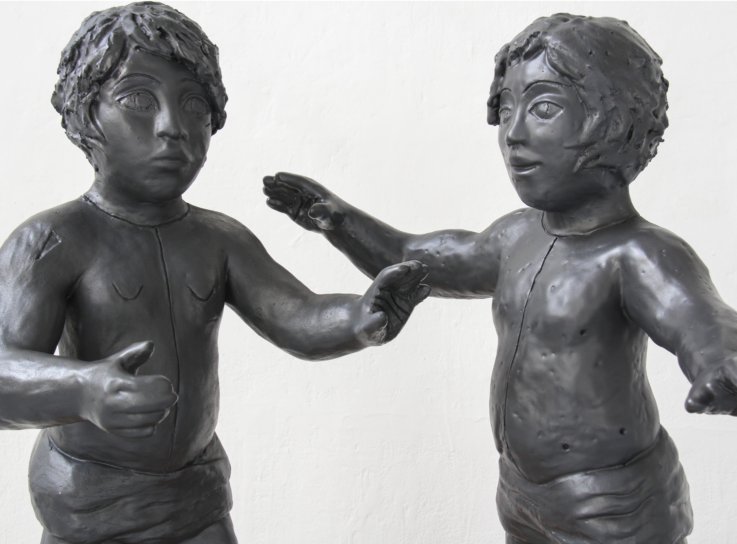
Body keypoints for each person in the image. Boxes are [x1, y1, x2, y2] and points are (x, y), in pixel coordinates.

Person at [264, 13, 737, 544]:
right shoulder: (515, 236)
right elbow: (415, 258)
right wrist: (340, 220)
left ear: (614, 122)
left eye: (543, 108)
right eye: (506, 109)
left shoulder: (639, 253)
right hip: (520, 493)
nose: (513, 134)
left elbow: (700, 319)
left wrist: (722, 363)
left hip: (612, 507)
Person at [0, 3, 429, 544]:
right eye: (138, 100)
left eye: (194, 104)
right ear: (82, 115)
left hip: (196, 495)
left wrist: (361, 317)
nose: (173, 127)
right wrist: (84, 388)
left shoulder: (219, 238)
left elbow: (295, 314)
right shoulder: (50, 241)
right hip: (90, 501)